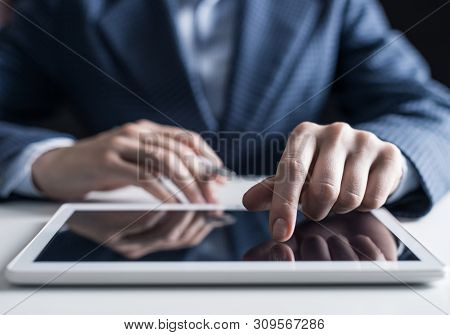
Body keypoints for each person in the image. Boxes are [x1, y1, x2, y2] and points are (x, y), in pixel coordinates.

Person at [0, 0, 449, 243]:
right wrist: (44, 162)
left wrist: (392, 157)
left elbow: (428, 110)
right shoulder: (58, 9)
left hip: (306, 259)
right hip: (130, 259)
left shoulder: (334, 4)